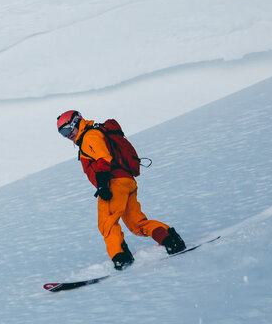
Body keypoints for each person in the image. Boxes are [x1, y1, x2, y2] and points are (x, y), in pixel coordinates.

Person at [57, 110, 186, 269]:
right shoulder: (91, 135)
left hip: (113, 182)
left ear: (77, 122)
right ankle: (170, 239)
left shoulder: (89, 137)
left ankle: (121, 257)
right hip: (126, 181)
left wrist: (103, 184)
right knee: (136, 223)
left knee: (107, 222)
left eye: (68, 129)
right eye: (62, 133)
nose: (67, 135)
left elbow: (103, 158)